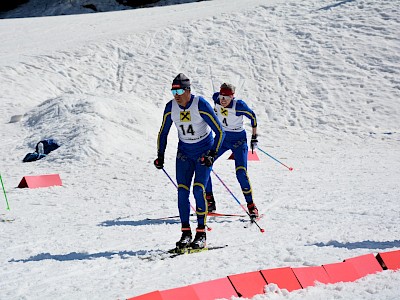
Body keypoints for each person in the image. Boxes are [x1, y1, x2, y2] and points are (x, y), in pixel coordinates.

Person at [154, 73, 225, 250]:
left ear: (188, 90)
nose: (176, 95)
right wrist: (160, 155)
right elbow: (163, 132)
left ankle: (201, 233)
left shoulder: (200, 104)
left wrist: (212, 154)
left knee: (198, 189)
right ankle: (186, 232)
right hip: (184, 153)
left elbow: (220, 131)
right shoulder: (171, 107)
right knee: (182, 191)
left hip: (203, 152)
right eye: (173, 91)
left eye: (178, 90)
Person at [205, 83, 259, 219]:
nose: (223, 100)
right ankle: (209, 201)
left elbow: (253, 117)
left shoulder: (239, 106)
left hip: (238, 141)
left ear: (232, 97)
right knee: (205, 165)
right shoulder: (216, 98)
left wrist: (254, 137)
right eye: (221, 96)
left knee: (241, 172)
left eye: (226, 97)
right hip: (221, 139)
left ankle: (251, 206)